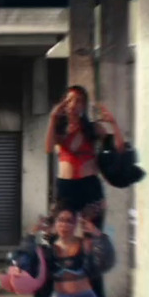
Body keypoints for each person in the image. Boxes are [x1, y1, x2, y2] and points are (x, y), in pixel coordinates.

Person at [45, 85, 121, 227]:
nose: (73, 104)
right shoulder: (59, 129)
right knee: (56, 233)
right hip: (65, 187)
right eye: (69, 100)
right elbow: (48, 148)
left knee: (91, 235)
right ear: (63, 104)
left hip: (89, 185)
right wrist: (53, 118)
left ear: (84, 105)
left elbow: (117, 147)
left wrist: (113, 124)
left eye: (78, 100)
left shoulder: (93, 128)